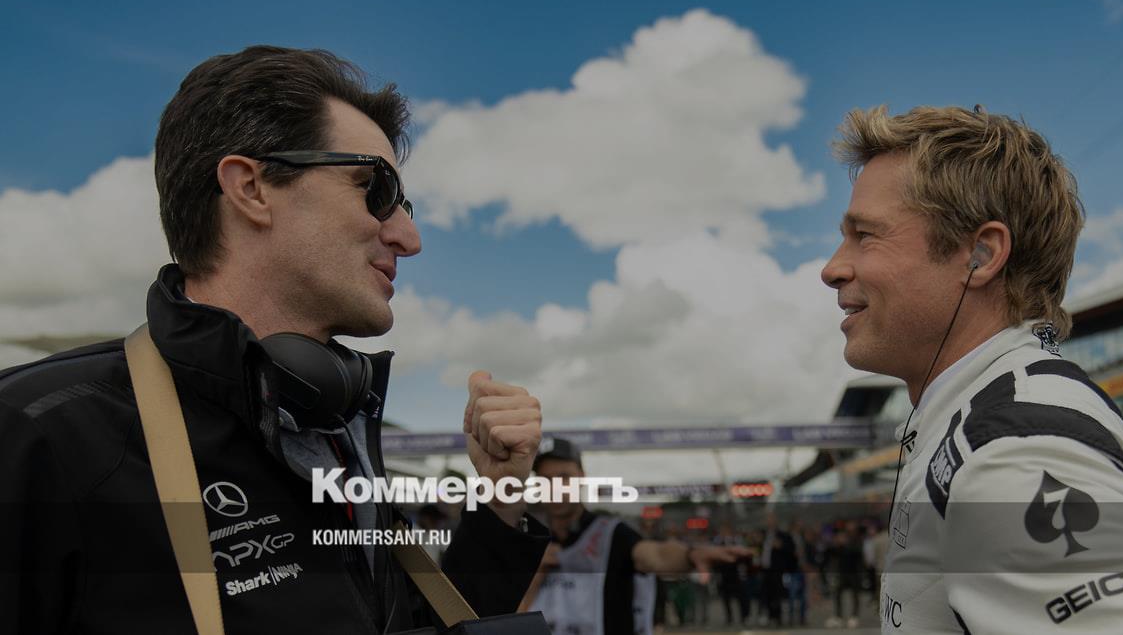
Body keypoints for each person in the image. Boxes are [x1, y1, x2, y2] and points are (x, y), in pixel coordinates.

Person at [0, 46, 550, 633]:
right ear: (251, 188)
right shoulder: (36, 433)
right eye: (375, 188)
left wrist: (499, 498)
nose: (409, 238)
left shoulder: (335, 428)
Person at [821, 105, 1123, 633]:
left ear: (981, 253)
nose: (832, 269)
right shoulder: (984, 416)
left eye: (865, 235)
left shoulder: (1013, 449)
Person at [518, 438, 750, 635]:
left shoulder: (610, 533)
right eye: (546, 480)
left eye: (564, 477)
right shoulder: (527, 539)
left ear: (582, 476)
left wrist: (691, 555)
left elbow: (655, 554)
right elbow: (512, 615)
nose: (555, 488)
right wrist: (537, 572)